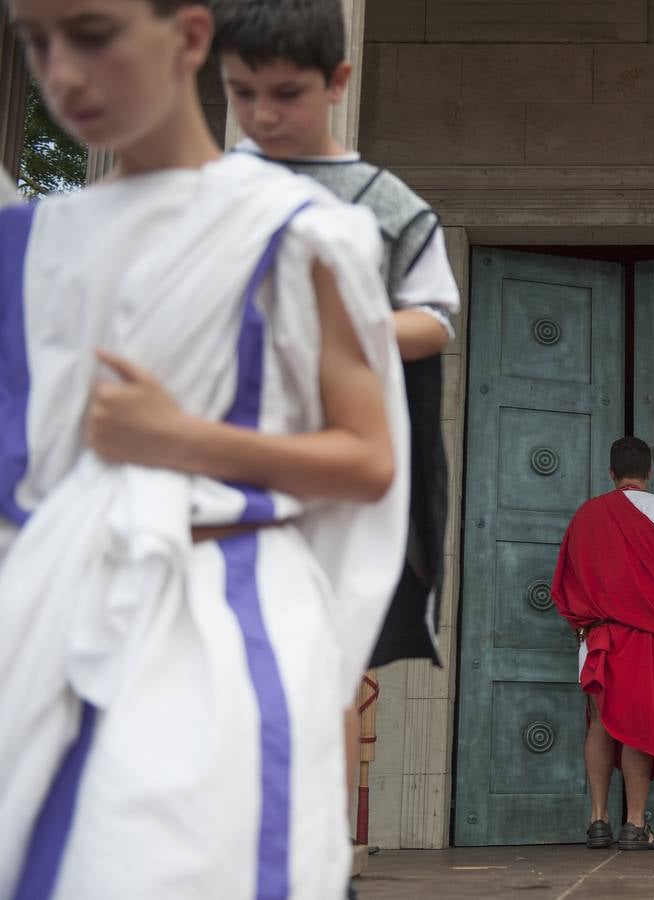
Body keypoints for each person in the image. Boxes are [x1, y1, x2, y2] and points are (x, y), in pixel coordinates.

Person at [0, 1, 408, 898]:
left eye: (93, 36)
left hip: (224, 620)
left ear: (189, 37)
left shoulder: (300, 229)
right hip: (46, 615)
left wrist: (178, 439)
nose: (61, 73)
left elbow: (369, 459)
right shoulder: (23, 245)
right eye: (35, 41)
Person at [213, 0, 460, 671]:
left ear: (336, 82)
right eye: (243, 92)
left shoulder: (388, 205)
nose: (263, 114)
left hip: (334, 460)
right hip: (221, 445)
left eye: (287, 93)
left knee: (326, 660)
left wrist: (322, 335)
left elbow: (434, 320)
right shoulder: (208, 193)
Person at [550, 437, 654, 852]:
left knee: (601, 722)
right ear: (649, 472)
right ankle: (636, 825)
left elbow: (568, 573)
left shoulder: (586, 515)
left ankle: (598, 821)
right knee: (640, 726)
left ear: (611, 473)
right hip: (649, 637)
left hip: (598, 637)